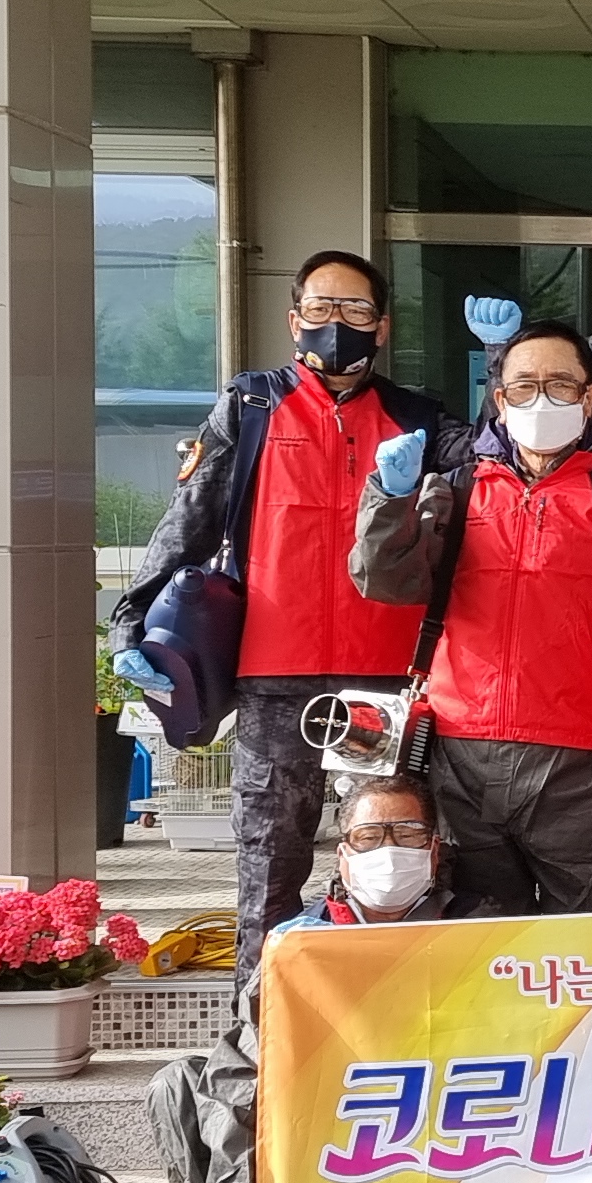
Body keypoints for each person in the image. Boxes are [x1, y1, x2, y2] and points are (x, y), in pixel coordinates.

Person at [112, 252, 450, 980]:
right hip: (274, 674)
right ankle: (260, 1027)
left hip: (386, 679)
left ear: (382, 327)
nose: (337, 323)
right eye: (321, 308)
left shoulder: (420, 419)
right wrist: (132, 621)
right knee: (268, 860)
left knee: (392, 857)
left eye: (356, 310)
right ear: (294, 320)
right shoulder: (252, 406)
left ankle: (393, 1007)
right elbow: (190, 519)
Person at [352, 319, 592, 916]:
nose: (542, 399)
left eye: (560, 385)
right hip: (461, 752)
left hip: (584, 759)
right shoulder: (455, 490)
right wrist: (389, 498)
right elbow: (386, 581)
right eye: (525, 386)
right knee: (477, 934)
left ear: (588, 398)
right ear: (501, 401)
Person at [151, 771, 441, 1183]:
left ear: (434, 849)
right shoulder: (298, 944)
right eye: (370, 837)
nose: (389, 850)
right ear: (343, 856)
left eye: (408, 833)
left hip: (420, 1124)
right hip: (315, 1120)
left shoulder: (477, 931)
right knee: (179, 1084)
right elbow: (243, 1072)